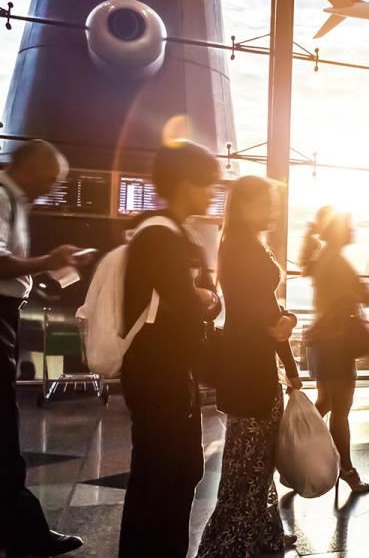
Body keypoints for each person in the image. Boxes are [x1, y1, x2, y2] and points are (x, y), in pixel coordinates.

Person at [119, 141, 223, 558]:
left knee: (179, 471)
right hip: (156, 370)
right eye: (205, 183)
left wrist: (204, 300)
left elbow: (208, 299)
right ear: (184, 183)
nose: (211, 192)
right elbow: (187, 300)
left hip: (173, 369)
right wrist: (202, 299)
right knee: (162, 475)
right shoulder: (159, 234)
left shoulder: (180, 233)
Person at [197, 176, 300, 557]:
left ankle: (259, 534)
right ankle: (229, 542)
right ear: (244, 205)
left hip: (253, 361)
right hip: (248, 365)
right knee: (248, 461)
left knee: (255, 458)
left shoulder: (247, 244)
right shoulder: (242, 247)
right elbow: (262, 314)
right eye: (266, 202)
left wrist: (285, 332)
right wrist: (286, 342)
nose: (273, 209)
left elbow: (268, 312)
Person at [0, 140, 88, 557]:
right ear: (29, 166)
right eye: (50, 177)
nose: (53, 186)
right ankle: (23, 531)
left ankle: (20, 528)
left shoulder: (15, 202)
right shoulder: (1, 196)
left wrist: (41, 275)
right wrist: (46, 261)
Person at [301, 207, 369, 494]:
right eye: (349, 223)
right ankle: (347, 469)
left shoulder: (323, 258)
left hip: (322, 342)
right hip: (336, 344)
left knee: (327, 402)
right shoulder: (338, 262)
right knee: (341, 410)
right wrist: (361, 292)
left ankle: (296, 454)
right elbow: (354, 299)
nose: (353, 228)